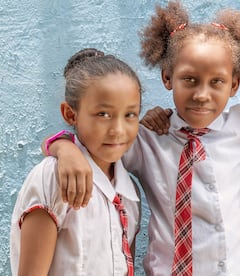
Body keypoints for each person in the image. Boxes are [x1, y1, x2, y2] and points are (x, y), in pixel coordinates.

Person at [42, 2, 240, 275]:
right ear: (168, 78)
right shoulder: (146, 138)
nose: (202, 94)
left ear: (235, 86)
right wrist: (62, 147)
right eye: (189, 80)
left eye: (217, 82)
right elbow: (95, 144)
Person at [10, 48, 142, 276]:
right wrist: (62, 147)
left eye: (130, 114)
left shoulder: (129, 194)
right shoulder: (53, 177)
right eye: (103, 114)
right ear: (70, 115)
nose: (118, 130)